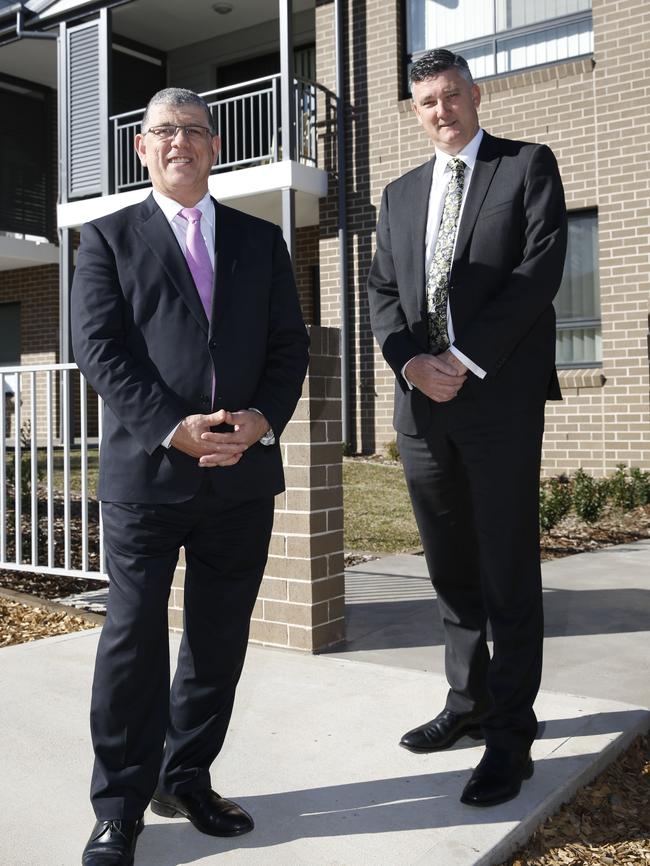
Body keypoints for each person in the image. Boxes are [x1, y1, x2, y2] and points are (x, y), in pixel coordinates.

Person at [72, 87, 309, 865]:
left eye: (195, 131)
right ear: (142, 148)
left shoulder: (260, 240)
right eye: (165, 132)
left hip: (240, 478)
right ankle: (119, 805)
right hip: (147, 479)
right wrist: (173, 429)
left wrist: (262, 419)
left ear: (215, 147)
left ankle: (188, 774)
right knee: (133, 640)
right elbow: (102, 351)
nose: (182, 142)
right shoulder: (105, 239)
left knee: (216, 639)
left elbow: (288, 348)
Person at [367, 49, 567, 807]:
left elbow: (540, 270)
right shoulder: (398, 195)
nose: (441, 110)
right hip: (421, 407)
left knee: (506, 566)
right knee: (450, 565)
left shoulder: (525, 167)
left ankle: (511, 734)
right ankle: (468, 704)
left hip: (496, 400)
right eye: (426, 101)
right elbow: (383, 292)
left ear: (476, 96)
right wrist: (413, 365)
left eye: (452, 95)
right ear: (415, 111)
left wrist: (463, 356)